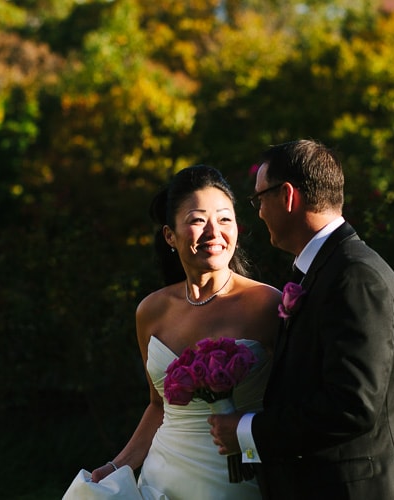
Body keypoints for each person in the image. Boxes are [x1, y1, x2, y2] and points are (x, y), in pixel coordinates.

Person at [208, 140, 394, 499]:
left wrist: (249, 431)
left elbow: (353, 404)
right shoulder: (325, 270)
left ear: (287, 195)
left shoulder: (355, 276)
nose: (260, 212)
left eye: (259, 199)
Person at [74, 165, 282, 499]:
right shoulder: (151, 311)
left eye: (225, 219)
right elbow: (159, 406)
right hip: (162, 478)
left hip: (238, 480)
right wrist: (118, 465)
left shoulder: (266, 304)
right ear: (170, 235)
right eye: (198, 220)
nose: (214, 232)